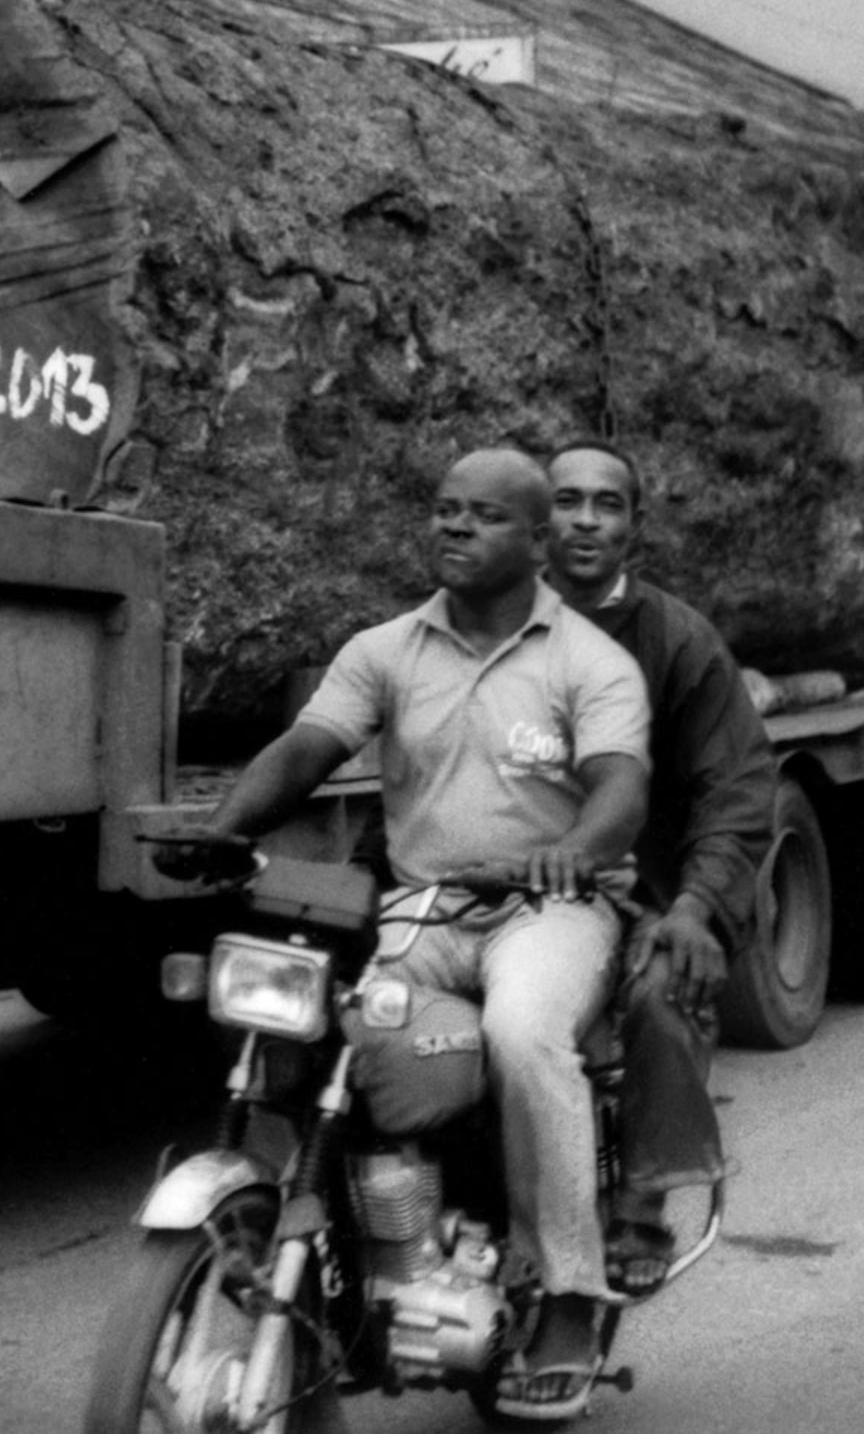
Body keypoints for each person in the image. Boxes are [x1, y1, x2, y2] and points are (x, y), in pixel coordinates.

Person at [176, 446, 649, 1423]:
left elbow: (619, 789)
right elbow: (309, 747)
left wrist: (570, 852)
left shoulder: (590, 663)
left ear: (536, 539)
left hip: (551, 911)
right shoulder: (385, 649)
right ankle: (345, 1255)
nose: (454, 528)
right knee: (329, 1026)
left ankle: (567, 1296)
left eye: (482, 516)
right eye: (444, 510)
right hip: (425, 907)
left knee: (522, 1031)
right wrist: (227, 825)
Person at [544, 440, 778, 1294]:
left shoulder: (677, 639)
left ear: (635, 524)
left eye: (607, 504)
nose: (585, 520)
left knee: (664, 984)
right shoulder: (496, 624)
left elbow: (738, 783)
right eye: (567, 500)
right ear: (541, 516)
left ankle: (639, 1201)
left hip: (639, 897)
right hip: (507, 894)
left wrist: (694, 903)